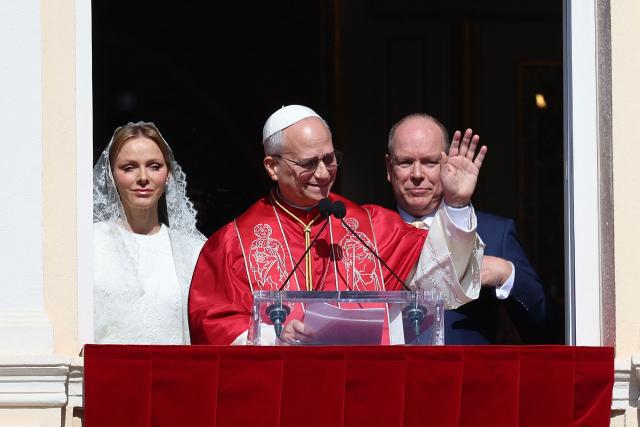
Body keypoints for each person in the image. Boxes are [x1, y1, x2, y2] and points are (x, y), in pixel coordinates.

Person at [189, 105, 487, 345]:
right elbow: (211, 325)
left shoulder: (371, 227)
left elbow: (441, 278)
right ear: (272, 167)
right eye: (308, 163)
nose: (323, 174)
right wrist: (272, 337)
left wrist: (457, 204)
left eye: (330, 159)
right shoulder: (232, 243)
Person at [386, 113, 546, 344]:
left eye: (430, 162)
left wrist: (506, 273)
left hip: (468, 378)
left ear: (447, 164)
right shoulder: (365, 233)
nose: (417, 174)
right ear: (389, 168)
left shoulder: (493, 233)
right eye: (406, 162)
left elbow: (546, 325)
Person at [93, 121, 206, 344]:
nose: (143, 177)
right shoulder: (90, 243)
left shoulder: (192, 251)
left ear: (168, 174)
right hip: (106, 373)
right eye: (129, 167)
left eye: (154, 166)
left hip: (173, 374)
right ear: (112, 175)